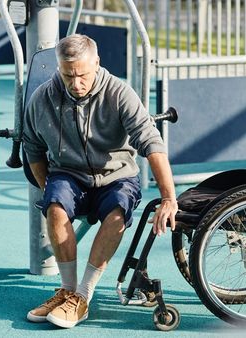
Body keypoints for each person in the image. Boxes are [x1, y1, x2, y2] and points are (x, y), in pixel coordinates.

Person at [22, 34, 178, 329]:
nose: (75, 83)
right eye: (68, 75)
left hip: (116, 176)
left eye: (82, 74)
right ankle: (67, 291)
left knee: (117, 212)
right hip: (69, 174)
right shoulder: (42, 98)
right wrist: (47, 186)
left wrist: (169, 197)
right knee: (54, 205)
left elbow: (151, 143)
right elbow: (32, 147)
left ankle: (82, 296)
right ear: (59, 68)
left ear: (97, 63)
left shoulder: (120, 93)